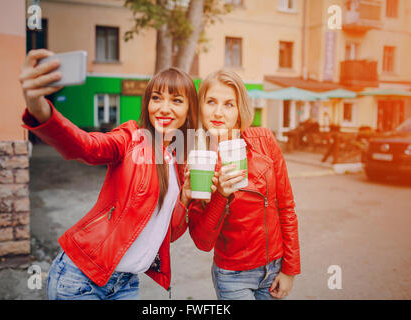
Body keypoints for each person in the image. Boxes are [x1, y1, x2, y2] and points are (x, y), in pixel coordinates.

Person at [19, 49, 198, 300]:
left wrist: (185, 199)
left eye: (177, 100)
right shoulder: (130, 139)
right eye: (156, 98)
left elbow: (166, 234)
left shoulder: (176, 160)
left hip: (125, 284)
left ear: (190, 110)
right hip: (81, 279)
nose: (164, 108)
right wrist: (39, 108)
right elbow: (87, 146)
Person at [186, 69, 301, 300]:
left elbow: (286, 207)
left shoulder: (264, 140)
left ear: (239, 111)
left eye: (229, 104)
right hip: (233, 276)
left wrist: (290, 268)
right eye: (211, 102)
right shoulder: (196, 159)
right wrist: (220, 196)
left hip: (275, 268)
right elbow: (202, 242)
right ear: (200, 107)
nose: (218, 112)